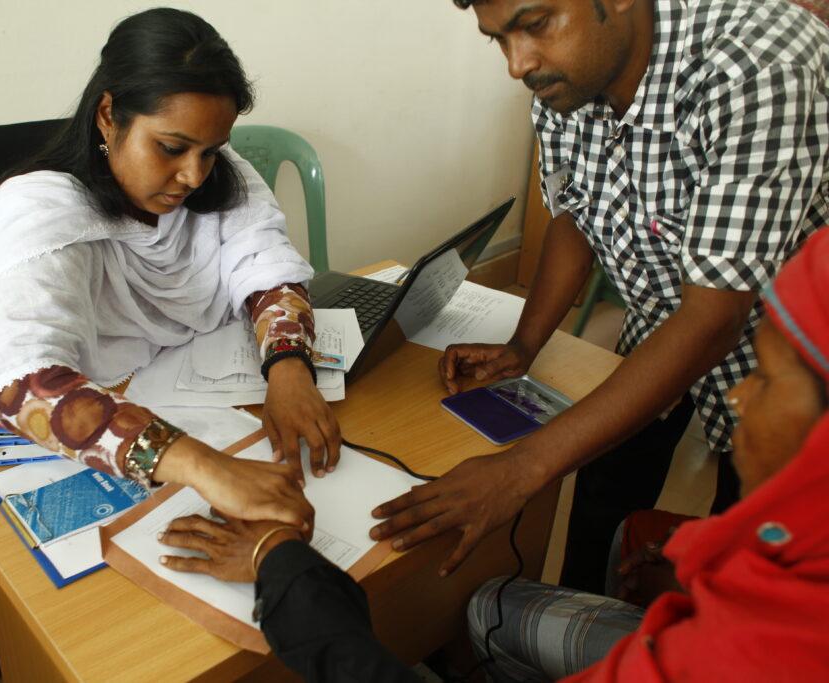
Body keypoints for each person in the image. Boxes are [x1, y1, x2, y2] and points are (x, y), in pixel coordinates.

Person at [158, 226, 829, 681]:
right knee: (485, 604)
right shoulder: (788, 568)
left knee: (482, 604)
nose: (737, 396)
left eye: (766, 377)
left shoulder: (755, 653)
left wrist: (279, 561)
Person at [369, 0, 829, 593]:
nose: (518, 64)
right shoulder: (565, 78)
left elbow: (715, 317)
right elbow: (573, 217)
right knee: (601, 493)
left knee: (740, 556)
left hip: (791, 364)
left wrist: (522, 468)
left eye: (534, 25)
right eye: (498, 40)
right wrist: (523, 345)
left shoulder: (757, 62)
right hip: (663, 318)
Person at [0, 8, 342, 529]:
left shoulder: (223, 179)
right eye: (172, 148)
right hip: (100, 428)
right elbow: (19, 382)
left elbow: (267, 265)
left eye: (211, 151)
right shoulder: (40, 213)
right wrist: (203, 466)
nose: (193, 176)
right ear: (108, 115)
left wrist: (290, 369)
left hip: (200, 402)